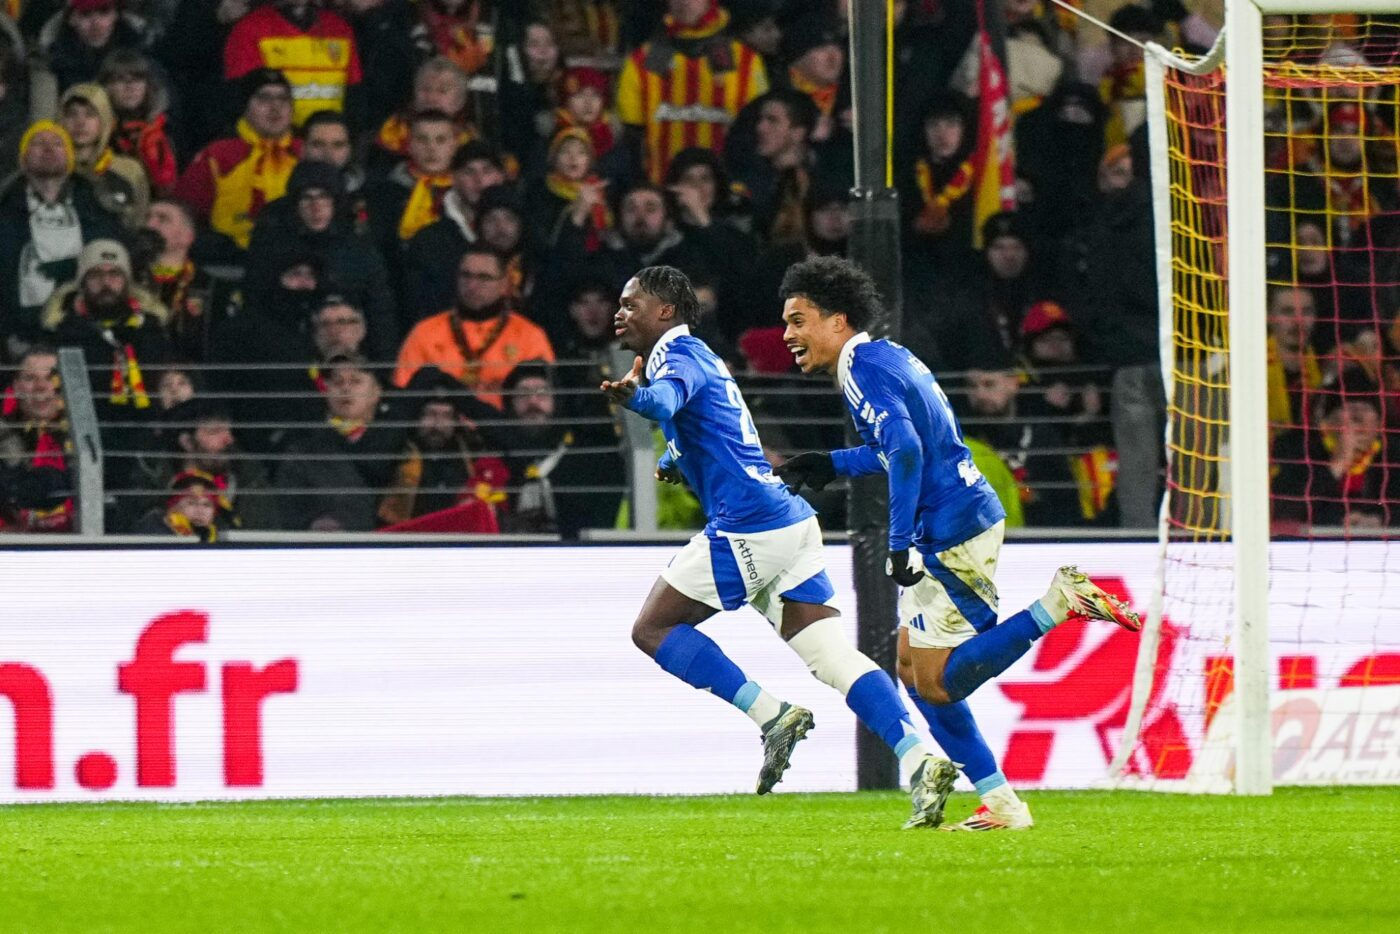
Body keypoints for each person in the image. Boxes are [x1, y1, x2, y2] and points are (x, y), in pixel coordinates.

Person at [774, 255, 1141, 831]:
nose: (787, 335)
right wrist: (832, 463)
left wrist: (898, 542)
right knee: (910, 669)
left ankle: (1058, 604)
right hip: (957, 514)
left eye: (798, 321)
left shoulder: (863, 371)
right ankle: (1001, 803)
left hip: (952, 528)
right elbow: (905, 444)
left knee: (940, 683)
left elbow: (907, 452)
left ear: (837, 320)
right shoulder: (886, 356)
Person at [600, 264, 959, 828]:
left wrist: (639, 399)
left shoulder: (676, 356)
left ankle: (772, 715)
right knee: (831, 656)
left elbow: (667, 402)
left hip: (750, 522)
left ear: (665, 311)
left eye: (631, 304)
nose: (619, 313)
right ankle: (920, 758)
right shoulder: (697, 356)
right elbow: (709, 423)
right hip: (788, 520)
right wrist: (673, 457)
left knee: (652, 629)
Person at [616, 0, 767, 183]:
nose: (684, 2)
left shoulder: (748, 62)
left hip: (728, 190)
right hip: (663, 192)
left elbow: (760, 135)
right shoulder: (643, 60)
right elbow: (632, 138)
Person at [393, 246, 555, 407]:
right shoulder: (425, 333)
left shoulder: (529, 336)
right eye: (466, 276)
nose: (472, 286)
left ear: (504, 284)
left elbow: (544, 402)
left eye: (484, 278)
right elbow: (404, 397)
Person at [174, 68, 301, 252]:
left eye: (283, 99)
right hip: (230, 259)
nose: (276, 107)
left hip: (296, 257)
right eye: (264, 98)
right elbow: (183, 213)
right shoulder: (218, 155)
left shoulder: (305, 152)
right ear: (245, 106)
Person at [223, 0, 363, 128]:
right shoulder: (249, 30)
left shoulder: (340, 28)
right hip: (276, 142)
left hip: (329, 139)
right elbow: (242, 99)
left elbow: (354, 95)